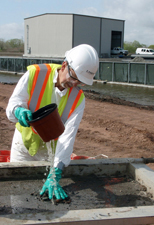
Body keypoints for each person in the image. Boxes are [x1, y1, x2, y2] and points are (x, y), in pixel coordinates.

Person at [6, 44, 99, 201]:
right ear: (64, 65)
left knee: (42, 199)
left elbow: (68, 137)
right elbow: (13, 104)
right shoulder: (35, 74)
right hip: (24, 144)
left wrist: (56, 172)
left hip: (50, 151)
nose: (75, 84)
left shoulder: (78, 99)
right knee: (18, 192)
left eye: (80, 82)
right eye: (74, 77)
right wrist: (18, 111)